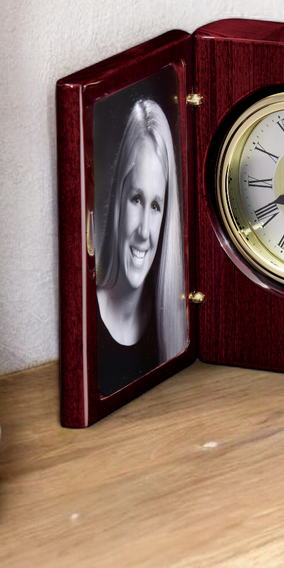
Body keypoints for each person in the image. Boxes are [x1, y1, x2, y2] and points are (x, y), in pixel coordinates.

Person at [95, 98, 186, 395]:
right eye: (136, 199)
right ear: (119, 199)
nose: (144, 231)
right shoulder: (85, 321)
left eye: (156, 206)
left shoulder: (174, 326)